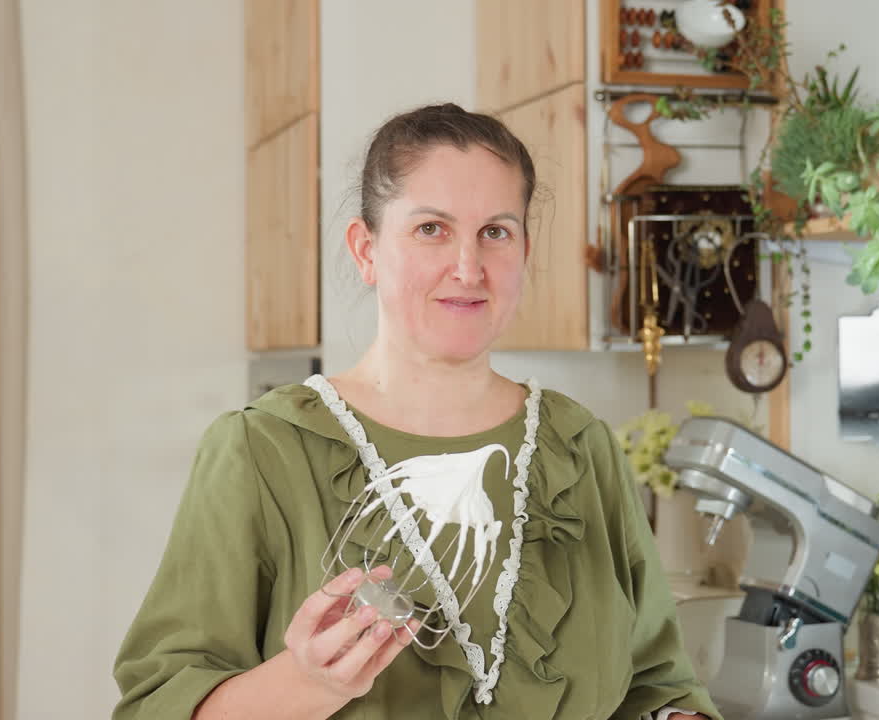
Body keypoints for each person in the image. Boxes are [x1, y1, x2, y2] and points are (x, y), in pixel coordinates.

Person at [113, 103, 720, 720]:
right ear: (366, 249)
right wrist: (305, 685)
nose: (468, 268)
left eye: (496, 232)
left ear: (525, 251)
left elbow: (658, 685)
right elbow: (156, 706)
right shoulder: (262, 449)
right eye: (432, 228)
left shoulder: (579, 447)